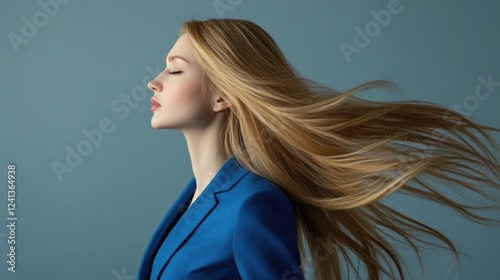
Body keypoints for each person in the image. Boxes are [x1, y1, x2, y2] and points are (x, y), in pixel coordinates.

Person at [137, 18, 500, 280]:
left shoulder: (253, 204)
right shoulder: (196, 198)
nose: (154, 82)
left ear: (223, 95)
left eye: (175, 71)